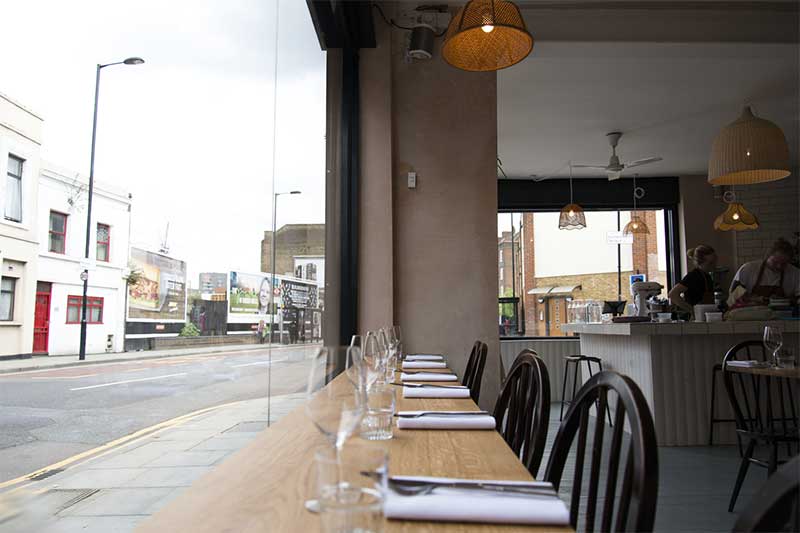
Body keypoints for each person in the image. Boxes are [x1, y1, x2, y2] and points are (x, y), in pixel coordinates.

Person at [730, 238, 799, 304]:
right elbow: (734, 296)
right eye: (775, 262)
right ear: (767, 256)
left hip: (784, 315)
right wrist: (755, 299)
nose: (779, 266)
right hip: (752, 313)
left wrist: (787, 301)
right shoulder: (748, 269)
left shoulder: (795, 273)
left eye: (784, 264)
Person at [669, 245, 718, 313]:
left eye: (715, 261)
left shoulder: (707, 276)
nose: (714, 265)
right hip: (697, 318)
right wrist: (692, 310)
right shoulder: (693, 276)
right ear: (700, 263)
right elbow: (673, 294)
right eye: (710, 263)